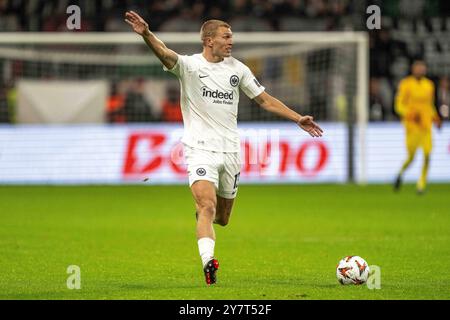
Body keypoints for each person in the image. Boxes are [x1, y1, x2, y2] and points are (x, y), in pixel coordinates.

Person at [125, 11, 323, 285]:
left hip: (230, 152)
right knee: (206, 206)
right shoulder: (190, 66)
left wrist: (297, 118)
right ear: (209, 40)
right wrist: (147, 34)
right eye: (226, 37)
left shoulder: (238, 69)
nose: (231, 42)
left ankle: (203, 218)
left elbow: (264, 100)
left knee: (223, 217)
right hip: (199, 149)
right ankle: (208, 262)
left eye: (231, 37)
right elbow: (165, 54)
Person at [394, 60, 442, 194]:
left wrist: (436, 118)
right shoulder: (406, 84)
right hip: (412, 127)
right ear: (413, 69)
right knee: (411, 157)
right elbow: (398, 105)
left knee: (427, 154)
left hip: (426, 126)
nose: (420, 70)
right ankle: (400, 174)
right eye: (418, 68)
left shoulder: (429, 85)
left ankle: (421, 185)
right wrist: (410, 114)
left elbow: (430, 105)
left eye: (422, 68)